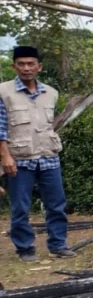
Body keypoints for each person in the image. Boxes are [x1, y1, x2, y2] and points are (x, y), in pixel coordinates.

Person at [0, 46, 73, 262]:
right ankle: (25, 248)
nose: (26, 68)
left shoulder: (51, 93)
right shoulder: (3, 92)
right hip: (19, 158)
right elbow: (0, 127)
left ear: (39, 67)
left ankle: (58, 245)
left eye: (31, 63)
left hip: (48, 156)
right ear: (14, 66)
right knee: (21, 207)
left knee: (57, 204)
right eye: (21, 64)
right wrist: (5, 156)